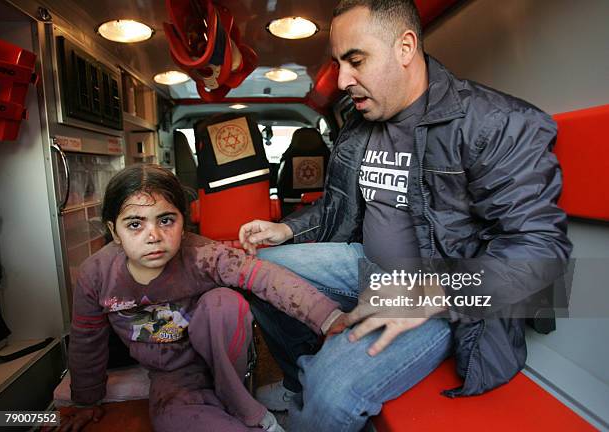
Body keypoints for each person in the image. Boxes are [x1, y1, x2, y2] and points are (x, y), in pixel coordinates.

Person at [239, 0, 572, 431]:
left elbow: (543, 262)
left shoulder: (496, 123)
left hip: (442, 292)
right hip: (367, 268)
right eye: (338, 63)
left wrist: (428, 295)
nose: (342, 80)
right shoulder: (360, 125)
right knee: (257, 271)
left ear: (405, 47)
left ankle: (316, 389)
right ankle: (299, 379)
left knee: (331, 389)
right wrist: (285, 228)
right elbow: (337, 204)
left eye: (355, 60)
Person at [58, 164, 342, 432]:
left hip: (223, 362)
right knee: (173, 419)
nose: (154, 236)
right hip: (172, 375)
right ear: (113, 231)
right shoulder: (96, 275)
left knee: (224, 302)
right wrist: (85, 401)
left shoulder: (203, 254)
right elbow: (86, 341)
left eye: (166, 220)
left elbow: (265, 276)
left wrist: (329, 318)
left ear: (184, 222)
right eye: (135, 225)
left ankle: (238, 400)